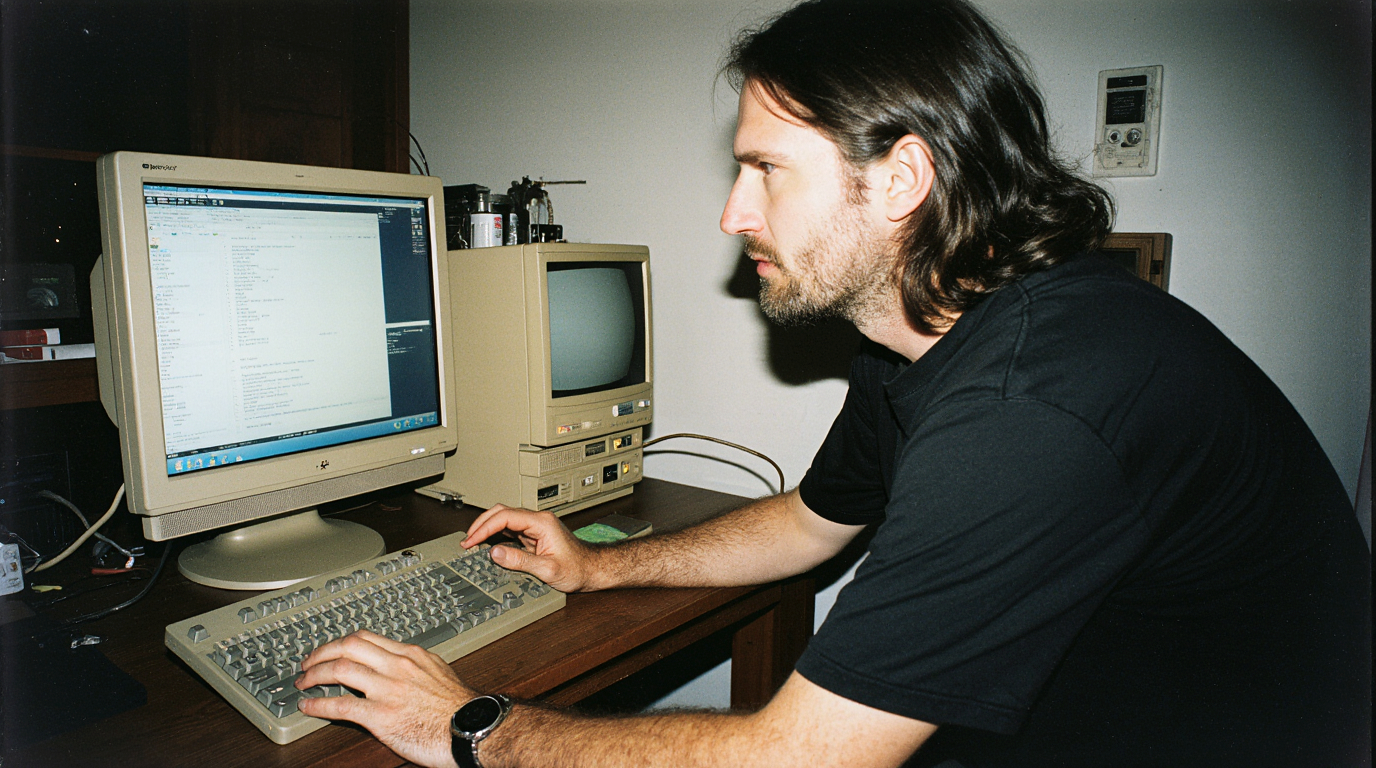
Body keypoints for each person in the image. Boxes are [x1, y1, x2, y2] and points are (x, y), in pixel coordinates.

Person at [293, 1, 1372, 765]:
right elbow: (812, 522)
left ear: (902, 178)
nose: (732, 213)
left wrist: (469, 726)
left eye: (765, 169)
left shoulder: (1028, 409)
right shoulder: (925, 332)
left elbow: (799, 758)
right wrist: (597, 569)